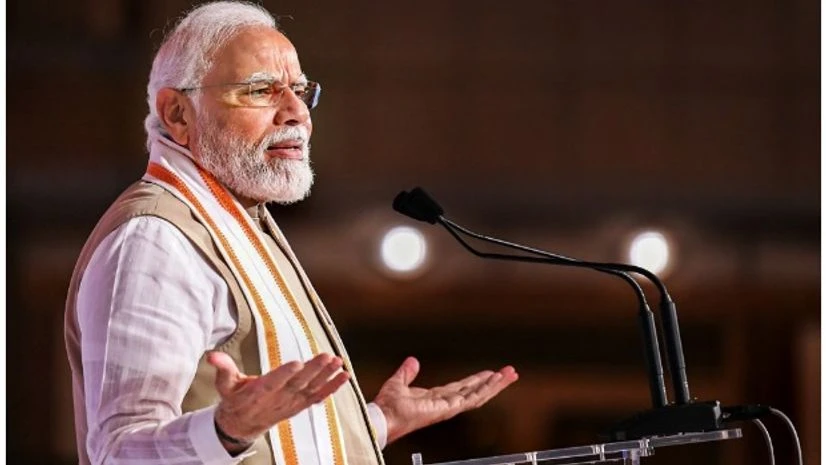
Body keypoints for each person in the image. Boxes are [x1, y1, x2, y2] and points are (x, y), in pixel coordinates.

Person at [64, 2, 519, 464]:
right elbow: (119, 452)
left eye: (300, 91)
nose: (297, 112)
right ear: (179, 114)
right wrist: (227, 430)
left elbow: (275, 438)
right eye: (262, 90)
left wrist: (371, 422)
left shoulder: (236, 220)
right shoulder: (155, 240)